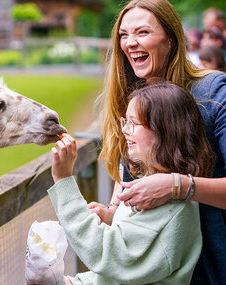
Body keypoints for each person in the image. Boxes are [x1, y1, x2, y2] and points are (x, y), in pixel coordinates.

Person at [94, 0, 226, 284]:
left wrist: (178, 186)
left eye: (142, 32)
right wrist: (112, 212)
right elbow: (129, 176)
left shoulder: (215, 94)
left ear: (171, 38)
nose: (130, 43)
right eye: (123, 35)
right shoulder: (133, 101)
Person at [47, 82, 214, 284]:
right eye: (125, 121)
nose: (124, 130)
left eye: (133, 123)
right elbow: (117, 276)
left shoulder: (172, 209)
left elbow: (106, 254)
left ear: (165, 130)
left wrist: (64, 181)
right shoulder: (152, 189)